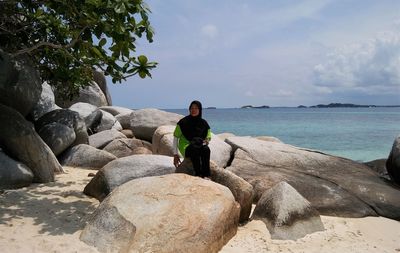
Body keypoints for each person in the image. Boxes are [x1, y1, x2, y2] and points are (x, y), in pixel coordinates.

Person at [173, 100, 211, 178]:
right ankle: (198, 174)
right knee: (194, 149)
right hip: (186, 146)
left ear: (200, 110)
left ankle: (206, 175)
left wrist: (206, 141)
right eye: (192, 108)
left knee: (206, 149)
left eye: (196, 108)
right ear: (189, 109)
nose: (193, 110)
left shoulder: (203, 123)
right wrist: (175, 154)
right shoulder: (183, 122)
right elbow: (175, 137)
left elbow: (208, 137)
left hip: (199, 144)